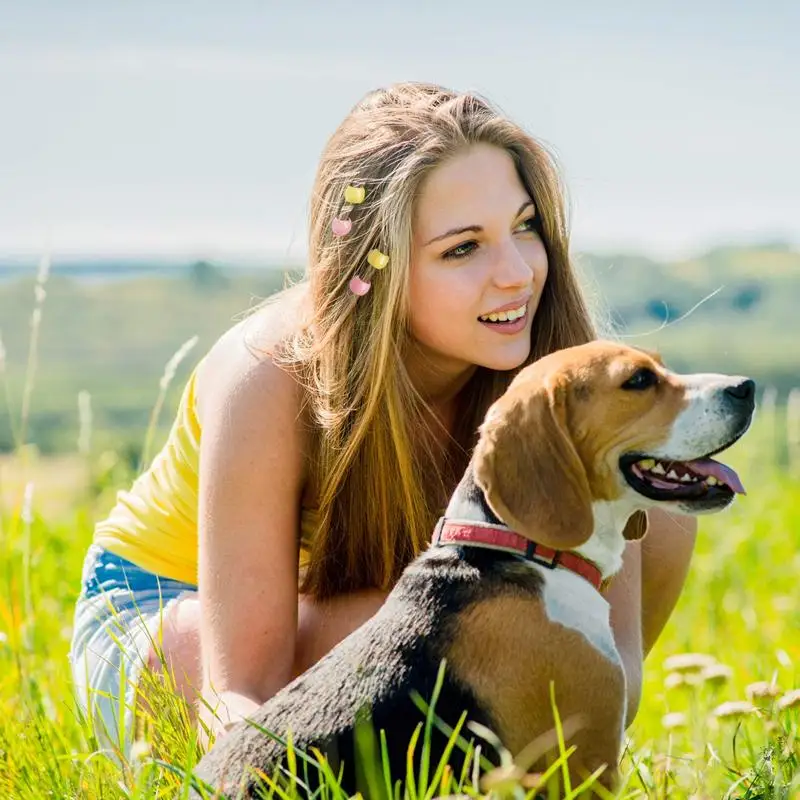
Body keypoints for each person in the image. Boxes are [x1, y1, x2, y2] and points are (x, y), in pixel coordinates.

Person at [69, 82, 698, 757]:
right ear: (378, 266)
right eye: (463, 249)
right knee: (416, 631)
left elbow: (609, 672)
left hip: (393, 594)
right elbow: (242, 689)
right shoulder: (267, 372)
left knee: (659, 513)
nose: (517, 273)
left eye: (525, 227)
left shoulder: (560, 373)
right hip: (171, 608)